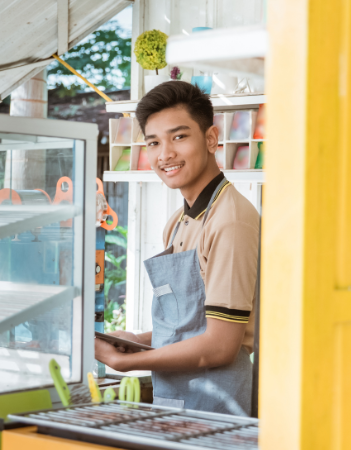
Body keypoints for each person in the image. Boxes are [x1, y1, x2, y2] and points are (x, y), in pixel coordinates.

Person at [94, 81, 259, 416]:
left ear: (211, 138)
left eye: (179, 137)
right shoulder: (178, 221)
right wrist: (135, 339)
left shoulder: (231, 220)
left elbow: (220, 346)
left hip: (217, 409)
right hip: (176, 404)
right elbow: (193, 326)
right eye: (153, 142)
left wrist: (130, 361)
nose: (164, 154)